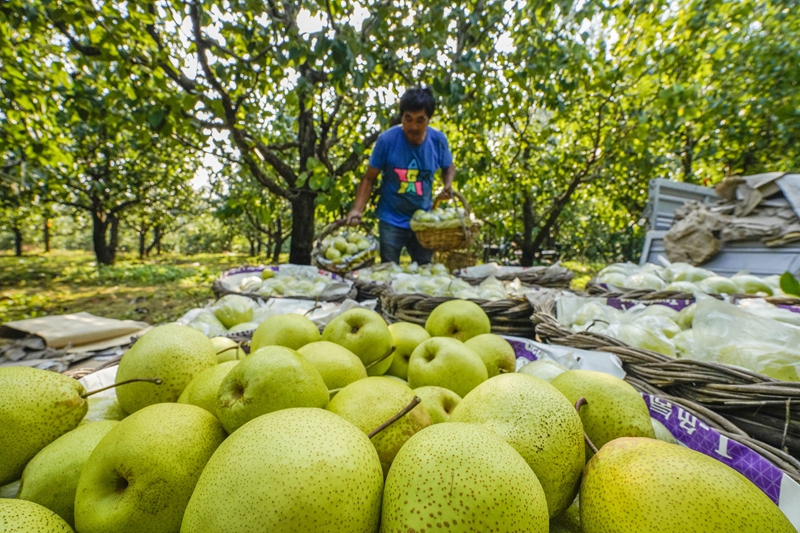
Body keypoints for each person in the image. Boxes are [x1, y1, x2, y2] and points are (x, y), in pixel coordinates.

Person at [345, 87, 455, 265]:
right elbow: (369, 178)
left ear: (428, 120)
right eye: (408, 119)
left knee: (425, 270)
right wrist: (357, 209)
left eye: (420, 120)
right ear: (401, 117)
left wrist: (448, 185)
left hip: (424, 221)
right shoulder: (386, 140)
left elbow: (448, 166)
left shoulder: (438, 141)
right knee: (389, 271)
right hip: (391, 219)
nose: (413, 126)